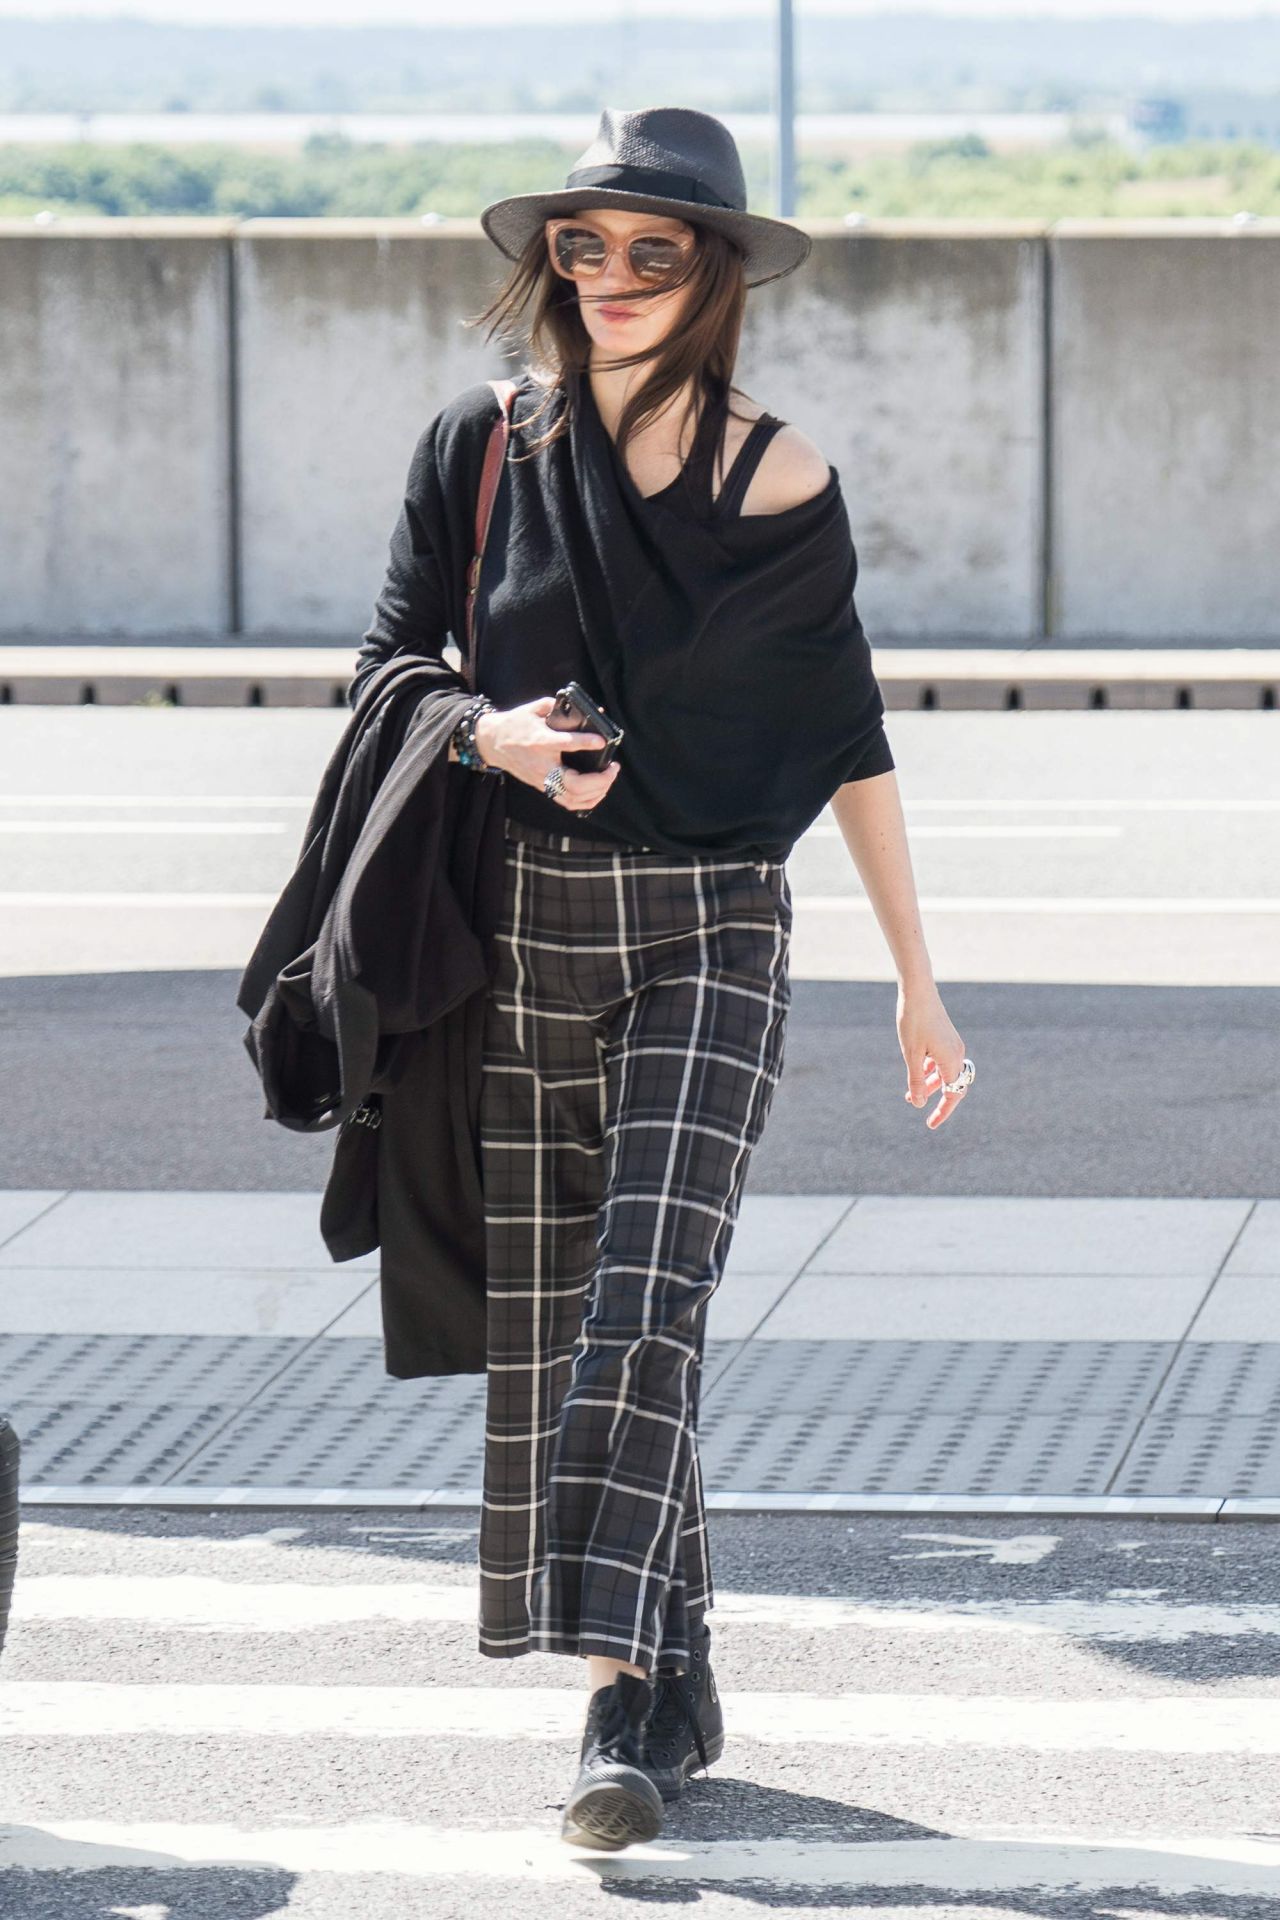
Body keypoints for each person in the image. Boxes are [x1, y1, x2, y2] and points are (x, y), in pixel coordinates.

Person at [355, 105, 975, 1853]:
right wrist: (489, 735)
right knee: (569, 1343)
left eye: (656, 251)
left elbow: (847, 736)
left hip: (711, 934)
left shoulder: (774, 477)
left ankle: (618, 1703)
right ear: (547, 261)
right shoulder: (480, 451)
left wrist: (919, 984)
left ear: (710, 276)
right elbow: (388, 660)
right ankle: (679, 1672)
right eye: (586, 245)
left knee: (646, 1303)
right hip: (524, 940)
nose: (614, 277)